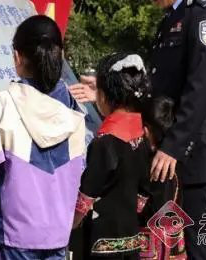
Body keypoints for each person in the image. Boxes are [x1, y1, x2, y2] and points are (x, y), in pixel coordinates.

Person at [71, 0, 206, 259]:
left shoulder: (205, 17)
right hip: (162, 161)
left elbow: (201, 89)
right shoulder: (173, 20)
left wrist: (173, 147)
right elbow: (159, 89)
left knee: (199, 250)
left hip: (191, 161)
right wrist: (110, 90)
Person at [0, 15, 86, 260]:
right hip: (58, 236)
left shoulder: (7, 103)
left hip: (14, 237)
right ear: (59, 55)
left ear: (17, 57)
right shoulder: (75, 111)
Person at [72, 53, 151, 259]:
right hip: (132, 238)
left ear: (104, 95)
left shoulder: (105, 142)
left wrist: (72, 223)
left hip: (103, 242)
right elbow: (143, 192)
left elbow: (87, 195)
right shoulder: (143, 137)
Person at [139, 96, 187, 259]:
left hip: (153, 247)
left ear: (145, 130)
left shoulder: (156, 167)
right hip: (173, 244)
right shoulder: (176, 162)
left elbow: (146, 208)